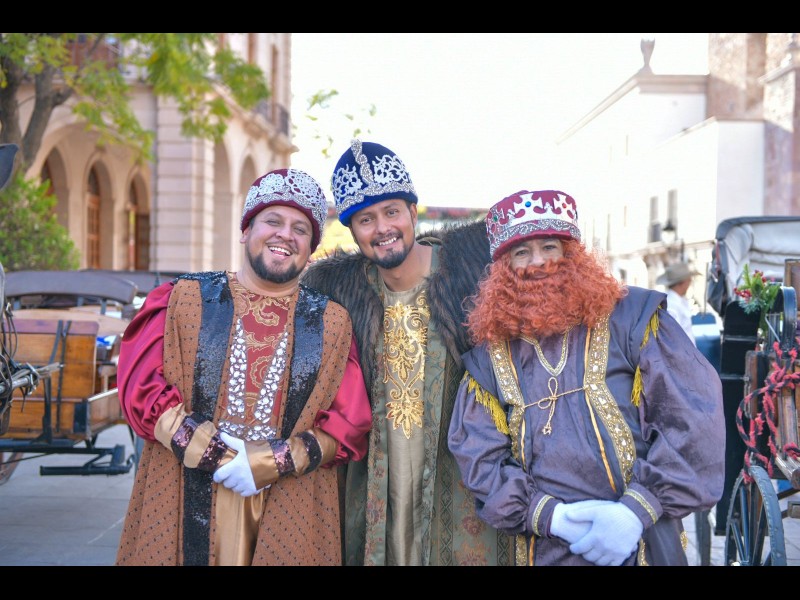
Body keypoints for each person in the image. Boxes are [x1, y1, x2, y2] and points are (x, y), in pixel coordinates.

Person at [447, 189, 725, 566]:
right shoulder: (488, 360)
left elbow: (691, 421)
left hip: (642, 539)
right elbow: (479, 457)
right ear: (504, 270)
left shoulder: (633, 319)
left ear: (572, 255)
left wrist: (635, 512)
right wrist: (555, 518)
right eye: (521, 252)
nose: (538, 262)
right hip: (546, 548)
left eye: (549, 247)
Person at [115, 168, 372, 566]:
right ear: (246, 230)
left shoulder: (332, 322)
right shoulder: (183, 299)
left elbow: (349, 424)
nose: (285, 235)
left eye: (300, 229)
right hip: (182, 488)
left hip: (288, 504)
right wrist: (212, 453)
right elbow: (140, 388)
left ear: (311, 247)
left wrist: (270, 462)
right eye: (273, 221)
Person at [302, 139, 511, 566]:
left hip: (461, 485)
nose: (382, 228)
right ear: (352, 230)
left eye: (392, 212)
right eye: (366, 219)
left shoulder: (475, 276)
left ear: (413, 212)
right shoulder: (335, 296)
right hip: (375, 487)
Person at [656, 261, 701, 344]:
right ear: (682, 283)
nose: (690, 284)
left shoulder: (679, 301)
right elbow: (673, 336)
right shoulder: (671, 304)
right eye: (689, 281)